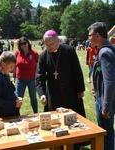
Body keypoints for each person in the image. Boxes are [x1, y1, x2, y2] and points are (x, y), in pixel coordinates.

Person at [35, 30, 86, 150]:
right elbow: (39, 77)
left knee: (73, 121)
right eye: (46, 45)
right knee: (55, 124)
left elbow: (77, 71)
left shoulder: (69, 50)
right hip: (53, 95)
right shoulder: (43, 56)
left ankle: (75, 144)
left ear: (58, 41)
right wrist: (42, 94)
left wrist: (80, 89)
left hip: (71, 93)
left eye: (51, 44)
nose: (49, 47)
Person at [88, 22, 115, 150]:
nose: (88, 38)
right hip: (103, 98)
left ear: (97, 36)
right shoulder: (105, 49)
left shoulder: (105, 52)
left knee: (106, 135)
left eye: (90, 35)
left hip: (104, 101)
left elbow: (110, 81)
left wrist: (105, 107)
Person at [0, 51, 22, 118]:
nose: (12, 69)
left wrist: (16, 99)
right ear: (3, 64)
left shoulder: (6, 75)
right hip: (5, 114)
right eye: (11, 67)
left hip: (13, 112)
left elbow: (10, 90)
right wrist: (14, 103)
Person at [14, 37, 38, 113]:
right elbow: (15, 65)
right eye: (21, 44)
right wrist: (14, 76)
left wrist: (37, 77)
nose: (23, 45)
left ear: (28, 43)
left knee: (33, 97)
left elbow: (38, 66)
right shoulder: (17, 53)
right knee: (18, 98)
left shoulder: (34, 53)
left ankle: (36, 113)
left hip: (32, 78)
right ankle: (15, 114)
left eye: (25, 43)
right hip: (20, 79)